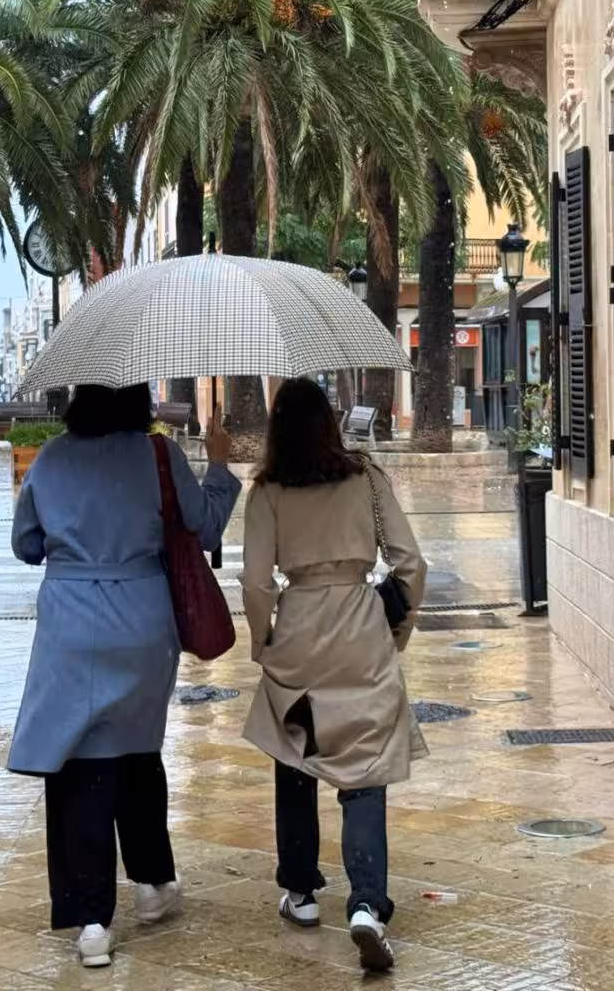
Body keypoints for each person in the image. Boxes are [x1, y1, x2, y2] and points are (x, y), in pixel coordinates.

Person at [9, 384, 239, 968]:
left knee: (83, 763)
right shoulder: (158, 454)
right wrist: (218, 462)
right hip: (142, 621)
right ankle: (154, 882)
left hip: (70, 623)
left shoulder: (53, 456)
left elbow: (26, 545)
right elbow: (205, 527)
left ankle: (92, 921)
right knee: (137, 752)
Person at [239, 377, 427, 972]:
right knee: (365, 765)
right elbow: (410, 562)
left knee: (296, 754)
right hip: (359, 625)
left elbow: (255, 581)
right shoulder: (366, 476)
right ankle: (367, 903)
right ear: (329, 420)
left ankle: (300, 893)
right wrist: (396, 631)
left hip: (298, 628)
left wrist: (263, 640)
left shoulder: (267, 490)